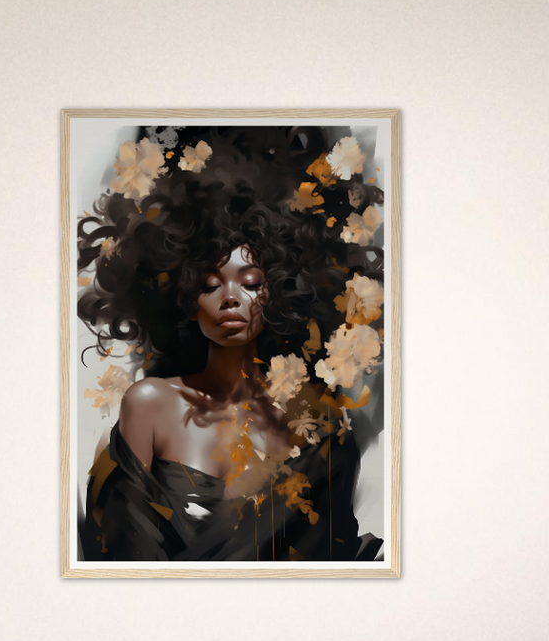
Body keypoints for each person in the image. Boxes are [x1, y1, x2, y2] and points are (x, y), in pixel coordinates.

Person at [75, 125, 386, 565]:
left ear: (280, 289)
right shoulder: (150, 403)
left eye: (251, 282)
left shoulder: (316, 432)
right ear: (184, 297)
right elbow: (122, 555)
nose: (229, 298)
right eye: (208, 283)